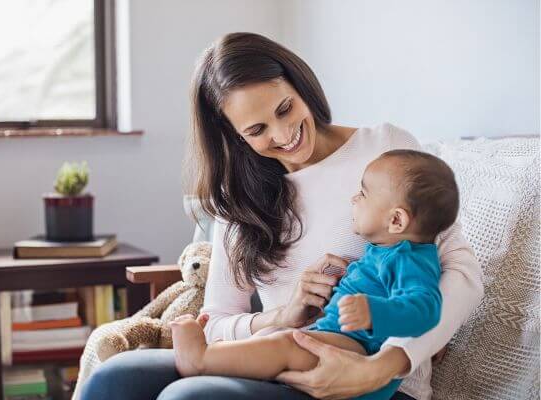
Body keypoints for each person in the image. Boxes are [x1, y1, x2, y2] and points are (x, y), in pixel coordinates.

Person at [80, 32, 483, 400]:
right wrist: (282, 315)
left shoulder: (385, 152)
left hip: (372, 381)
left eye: (286, 108)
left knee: (189, 398)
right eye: (256, 130)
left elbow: (461, 274)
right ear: (235, 137)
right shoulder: (239, 195)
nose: (283, 134)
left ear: (298, 83)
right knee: (116, 377)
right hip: (278, 358)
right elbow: (217, 322)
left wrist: (384, 366)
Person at [169, 149, 457, 400]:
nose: (354, 198)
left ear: (396, 220)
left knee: (286, 344)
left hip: (357, 354)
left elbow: (426, 309)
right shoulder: (387, 251)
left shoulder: (410, 259)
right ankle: (212, 358)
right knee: (284, 344)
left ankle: (203, 359)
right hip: (340, 340)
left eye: (363, 194)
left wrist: (373, 312)